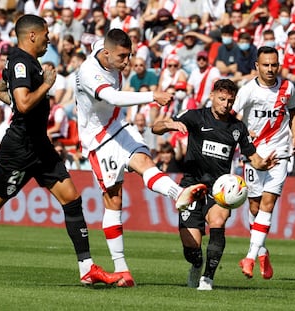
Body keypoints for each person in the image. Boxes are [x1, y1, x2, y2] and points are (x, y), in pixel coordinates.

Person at [0, 15, 122, 286]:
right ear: (32, 35)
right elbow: (22, 104)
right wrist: (46, 84)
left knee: (72, 199)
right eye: (45, 34)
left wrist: (5, 94)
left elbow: (13, 96)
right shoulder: (22, 61)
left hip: (39, 145)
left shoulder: (21, 60)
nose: (49, 39)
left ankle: (87, 268)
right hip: (20, 149)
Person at [75, 28, 207, 287]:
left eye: (130, 55)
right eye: (123, 57)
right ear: (105, 53)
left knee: (146, 162)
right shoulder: (88, 72)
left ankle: (177, 193)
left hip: (118, 126)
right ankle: (122, 268)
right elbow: (112, 96)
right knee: (114, 200)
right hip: (97, 140)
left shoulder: (106, 51)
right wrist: (151, 96)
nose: (127, 62)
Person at [152, 79, 278, 290]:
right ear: (212, 96)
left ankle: (207, 278)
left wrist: (263, 164)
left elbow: (253, 158)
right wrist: (168, 124)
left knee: (218, 221)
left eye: (230, 101)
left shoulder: (237, 127)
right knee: (192, 248)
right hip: (191, 186)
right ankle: (197, 265)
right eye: (222, 99)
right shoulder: (195, 115)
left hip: (220, 188)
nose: (226, 104)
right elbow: (155, 128)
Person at [232, 46, 295, 279]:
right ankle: (262, 252)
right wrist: (244, 131)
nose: (270, 69)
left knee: (268, 204)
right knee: (254, 207)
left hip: (280, 151)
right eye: (266, 65)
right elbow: (231, 117)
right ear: (257, 66)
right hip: (253, 154)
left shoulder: (287, 87)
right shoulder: (248, 91)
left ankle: (249, 257)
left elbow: (293, 112)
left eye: (274, 65)